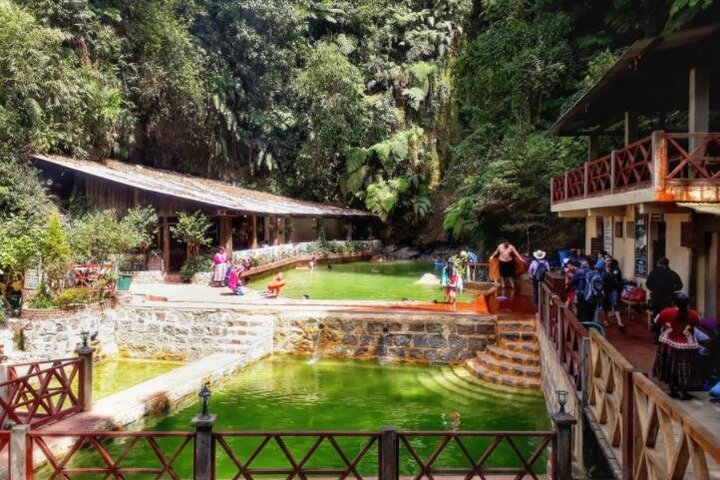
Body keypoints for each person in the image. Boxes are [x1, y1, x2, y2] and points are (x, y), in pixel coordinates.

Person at [652, 292, 700, 400]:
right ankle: (683, 391)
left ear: (673, 302)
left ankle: (672, 389)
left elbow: (657, 321)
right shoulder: (693, 314)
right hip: (688, 345)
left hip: (669, 343)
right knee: (685, 368)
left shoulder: (667, 312)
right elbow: (697, 323)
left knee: (670, 366)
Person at [646, 257, 683, 342]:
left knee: (657, 316)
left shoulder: (654, 273)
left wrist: (654, 289)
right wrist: (672, 289)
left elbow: (648, 284)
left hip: (656, 298)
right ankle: (666, 335)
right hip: (668, 299)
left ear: (658, 264)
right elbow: (680, 286)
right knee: (667, 316)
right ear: (667, 264)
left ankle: (657, 336)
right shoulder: (672, 273)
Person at [601, 258, 626, 329]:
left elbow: (618, 279)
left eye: (610, 260)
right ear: (605, 262)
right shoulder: (602, 270)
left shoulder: (614, 269)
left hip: (613, 289)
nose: (609, 262)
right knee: (605, 305)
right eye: (607, 260)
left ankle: (619, 322)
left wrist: (616, 275)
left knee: (615, 304)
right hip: (605, 289)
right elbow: (601, 279)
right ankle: (605, 320)